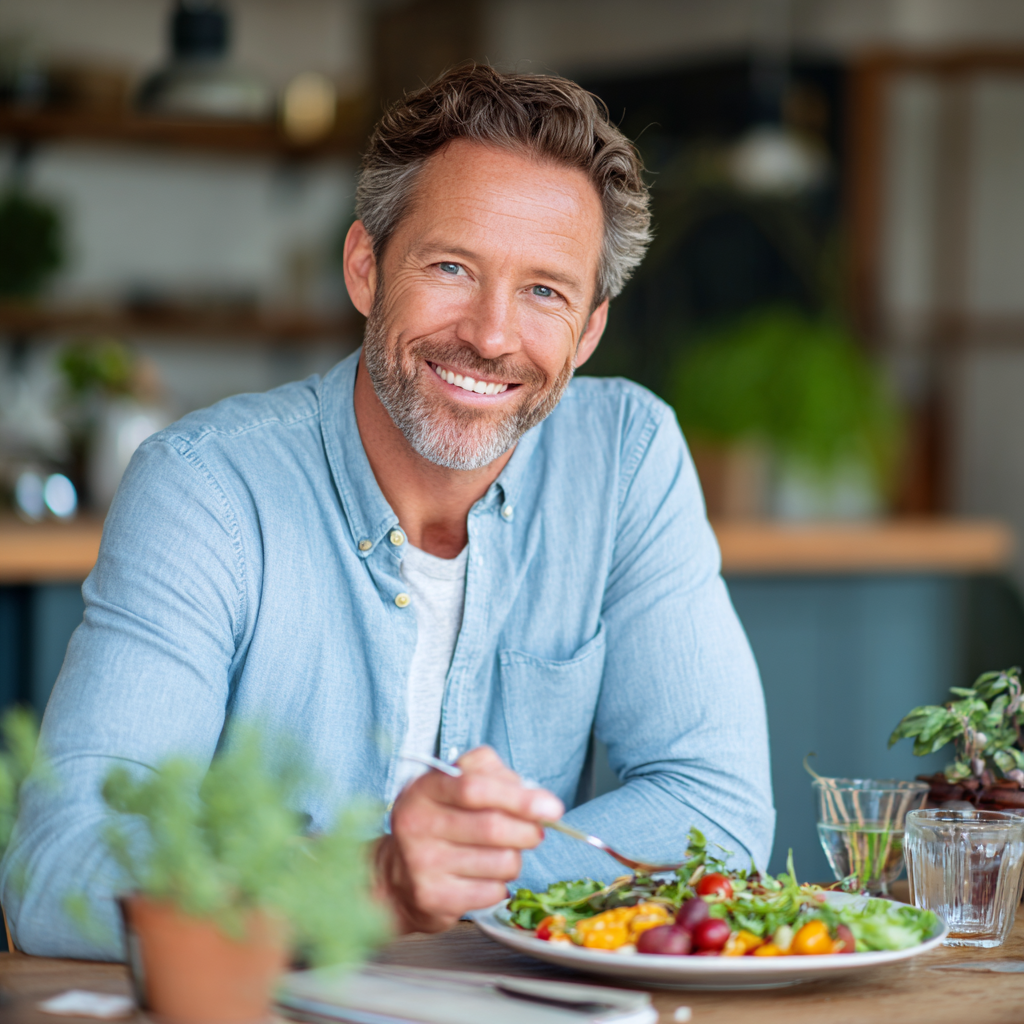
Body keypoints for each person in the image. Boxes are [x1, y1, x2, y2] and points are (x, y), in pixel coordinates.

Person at [1, 64, 773, 958]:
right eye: (452, 267)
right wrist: (371, 882)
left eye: (544, 292)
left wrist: (452, 884)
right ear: (365, 268)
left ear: (589, 331)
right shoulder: (205, 487)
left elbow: (714, 811)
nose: (490, 334)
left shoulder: (627, 458)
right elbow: (56, 871)